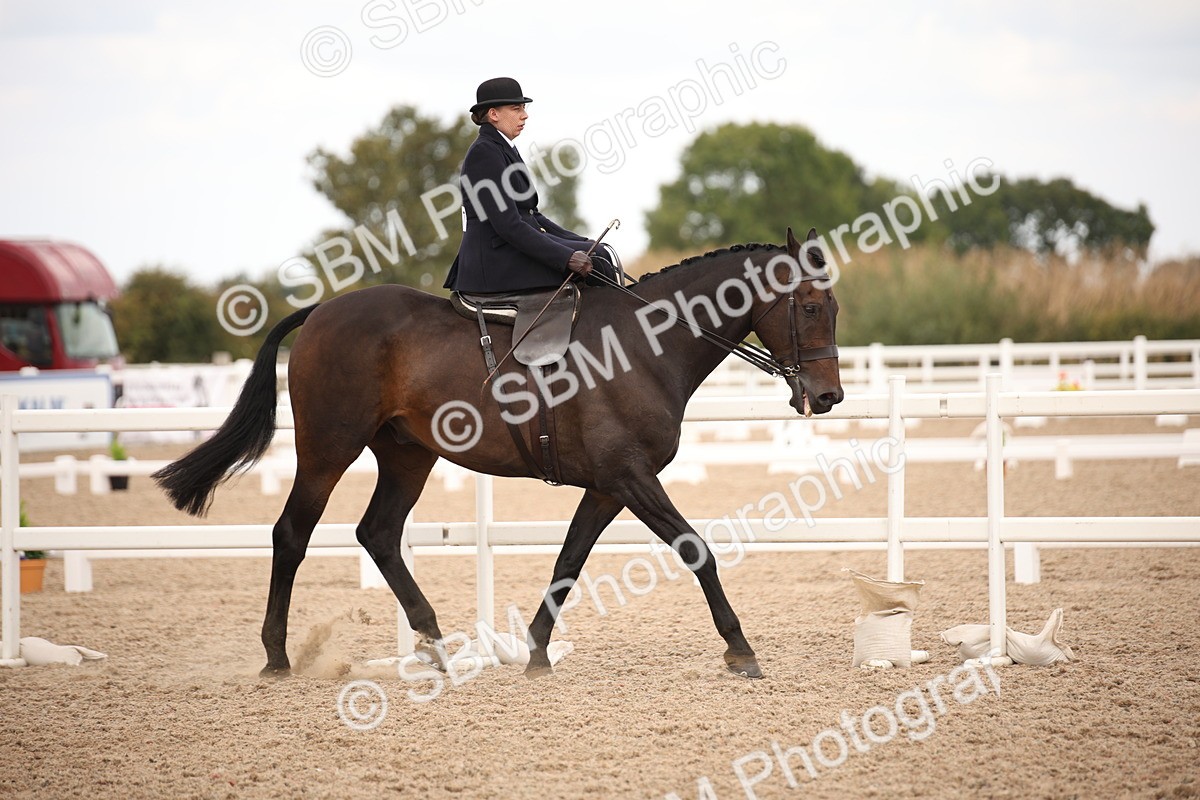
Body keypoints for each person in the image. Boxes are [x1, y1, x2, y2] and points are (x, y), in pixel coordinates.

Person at [442, 77, 617, 294]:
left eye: (523, 108)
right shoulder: (484, 152)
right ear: (493, 114)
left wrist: (581, 241)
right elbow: (508, 225)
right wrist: (566, 257)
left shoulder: (503, 147)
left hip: (509, 248)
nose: (524, 115)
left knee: (598, 251)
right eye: (516, 109)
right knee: (598, 261)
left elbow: (532, 215)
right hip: (493, 262)